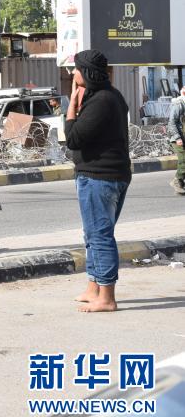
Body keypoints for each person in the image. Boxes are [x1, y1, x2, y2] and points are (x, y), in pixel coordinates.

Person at [65, 50, 131, 313]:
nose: (73, 73)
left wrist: (72, 104)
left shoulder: (102, 101)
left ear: (87, 72)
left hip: (99, 178)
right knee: (93, 234)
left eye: (76, 69)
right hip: (106, 176)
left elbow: (73, 138)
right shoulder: (108, 96)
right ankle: (93, 288)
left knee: (100, 236)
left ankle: (106, 297)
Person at [167, 85, 185, 194]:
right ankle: (177, 181)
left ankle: (180, 184)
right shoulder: (179, 104)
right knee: (183, 160)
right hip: (176, 138)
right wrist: (178, 138)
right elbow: (172, 122)